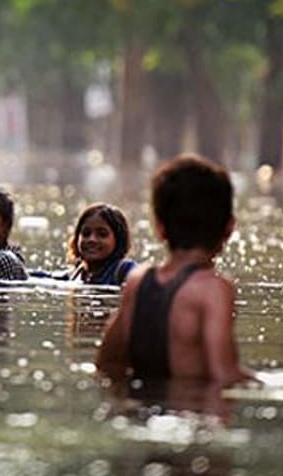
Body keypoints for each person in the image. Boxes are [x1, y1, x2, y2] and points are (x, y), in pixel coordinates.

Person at [96, 155, 254, 387]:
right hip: (190, 407)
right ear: (229, 229)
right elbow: (223, 376)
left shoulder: (137, 281)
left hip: (141, 405)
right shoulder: (213, 289)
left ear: (159, 228)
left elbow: (107, 362)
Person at [39, 203, 137, 285]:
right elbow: (43, 276)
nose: (91, 239)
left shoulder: (125, 270)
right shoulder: (76, 274)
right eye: (86, 233)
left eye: (102, 234)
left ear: (119, 239)